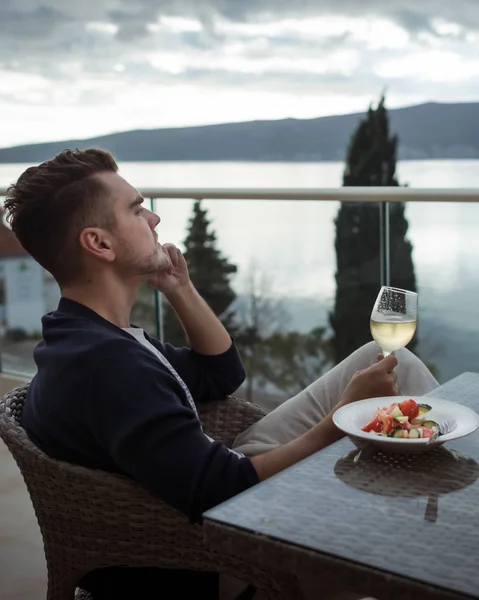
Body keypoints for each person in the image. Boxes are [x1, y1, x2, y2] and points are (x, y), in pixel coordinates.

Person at [4, 149, 438, 599]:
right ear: (100, 244)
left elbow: (219, 374)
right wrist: (343, 418)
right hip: (207, 552)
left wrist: (180, 288)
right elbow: (223, 492)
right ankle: (453, 529)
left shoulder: (92, 334)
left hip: (219, 471)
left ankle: (457, 496)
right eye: (136, 209)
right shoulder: (109, 366)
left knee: (390, 360)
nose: (153, 220)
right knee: (396, 531)